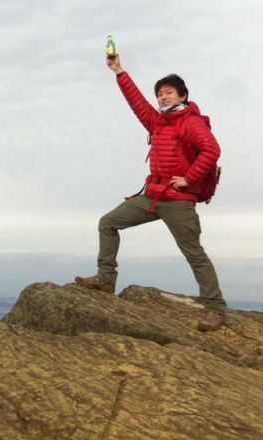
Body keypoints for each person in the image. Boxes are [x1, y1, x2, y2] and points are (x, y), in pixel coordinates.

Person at [75, 53, 226, 332]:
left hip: (178, 200)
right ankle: (106, 279)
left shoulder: (191, 122)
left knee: (193, 253)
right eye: (160, 94)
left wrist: (188, 179)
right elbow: (136, 102)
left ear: (182, 95)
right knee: (108, 223)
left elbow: (211, 150)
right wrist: (119, 72)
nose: (163, 97)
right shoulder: (158, 122)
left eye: (168, 92)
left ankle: (215, 308)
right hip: (153, 196)